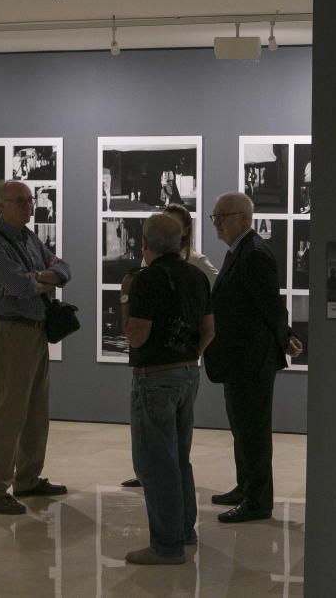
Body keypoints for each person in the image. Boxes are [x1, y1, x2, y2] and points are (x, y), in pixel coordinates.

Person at [119, 214, 214, 564]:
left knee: (154, 463)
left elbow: (136, 335)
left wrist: (125, 298)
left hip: (154, 376)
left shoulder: (144, 280)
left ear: (145, 242)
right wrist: (187, 359)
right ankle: (184, 531)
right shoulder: (195, 276)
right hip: (188, 374)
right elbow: (209, 330)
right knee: (178, 458)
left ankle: (166, 546)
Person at [0, 180, 72, 515]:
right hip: (12, 331)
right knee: (9, 411)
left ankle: (28, 478)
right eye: (20, 201)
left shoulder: (30, 238)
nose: (29, 206)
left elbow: (64, 269)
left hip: (36, 330)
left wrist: (39, 278)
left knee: (35, 410)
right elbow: (17, 285)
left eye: (30, 200)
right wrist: (40, 280)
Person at [203, 192, 302, 523]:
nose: (216, 223)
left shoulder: (254, 254)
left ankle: (258, 500)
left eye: (221, 216)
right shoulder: (240, 252)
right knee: (241, 428)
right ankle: (245, 486)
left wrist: (285, 336)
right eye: (214, 216)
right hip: (240, 358)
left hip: (251, 359)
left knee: (253, 432)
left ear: (243, 218)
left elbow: (269, 304)